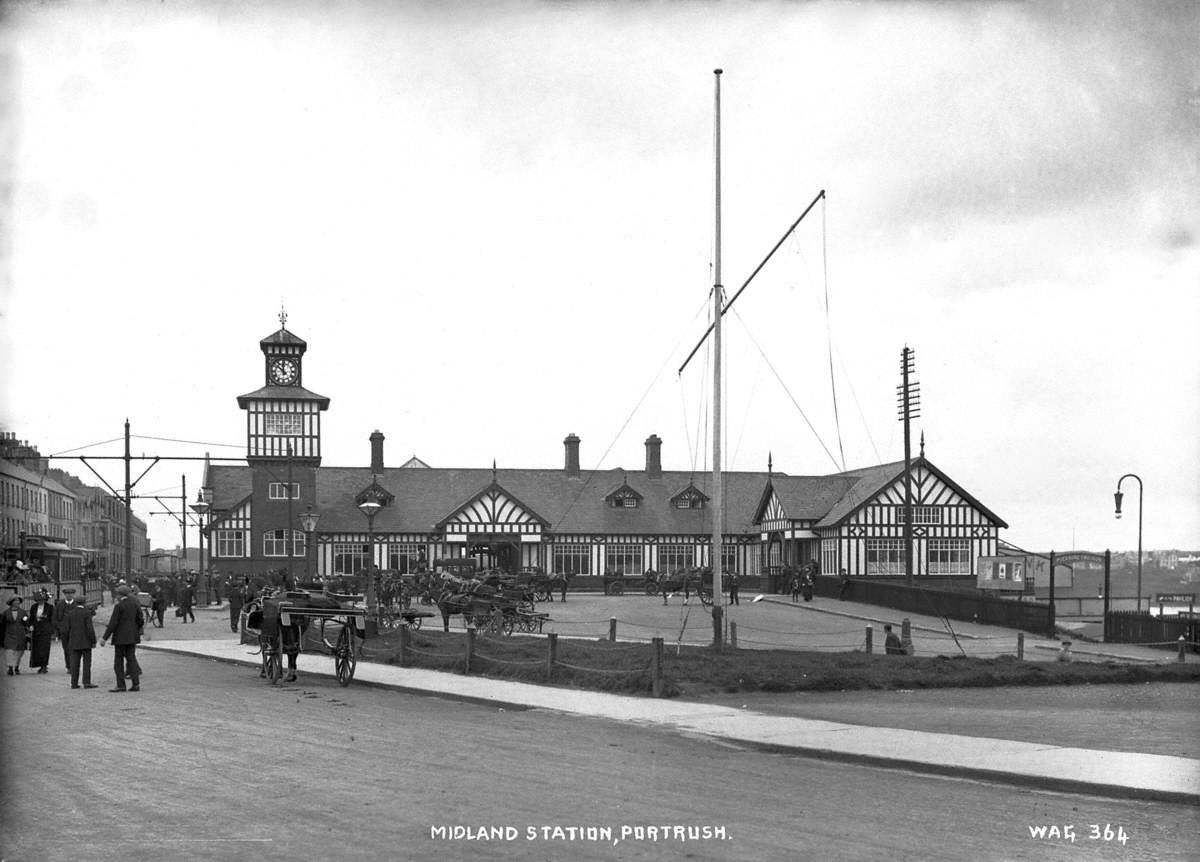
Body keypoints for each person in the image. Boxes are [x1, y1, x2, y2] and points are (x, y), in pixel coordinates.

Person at [100, 584, 143, 692]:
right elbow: (140, 620)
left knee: (118, 662)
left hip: (120, 638)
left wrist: (104, 638)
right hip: (132, 637)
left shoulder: (119, 606)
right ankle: (136, 684)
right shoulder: (135, 604)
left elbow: (113, 623)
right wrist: (135, 629)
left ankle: (121, 685)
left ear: (120, 595)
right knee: (131, 659)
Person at [65, 595, 99, 689]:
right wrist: (93, 641)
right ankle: (86, 682)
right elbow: (90, 628)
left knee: (74, 663)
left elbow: (67, 629)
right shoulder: (87, 613)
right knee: (86, 663)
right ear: (84, 603)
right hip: (85, 642)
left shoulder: (70, 613)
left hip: (74, 641)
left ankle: (74, 683)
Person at [27, 588, 55, 673]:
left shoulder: (50, 607)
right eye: (38, 600)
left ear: (45, 599)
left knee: (45, 649)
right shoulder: (34, 607)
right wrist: (30, 625)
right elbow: (31, 618)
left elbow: (52, 619)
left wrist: (52, 629)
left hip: (45, 631)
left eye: (42, 600)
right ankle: (39, 665)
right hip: (36, 630)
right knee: (37, 649)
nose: (40, 601)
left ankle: (44, 666)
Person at [2, 595, 30, 675]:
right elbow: (2, 623)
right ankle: (10, 668)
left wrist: (26, 621)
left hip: (20, 634)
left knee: (19, 652)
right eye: (15, 600)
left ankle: (17, 667)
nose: (17, 602)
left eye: (18, 600)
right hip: (9, 634)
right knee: (9, 651)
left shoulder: (23, 612)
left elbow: (26, 622)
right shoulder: (6, 612)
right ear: (11, 602)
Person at [53, 587, 77, 669]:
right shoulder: (60, 604)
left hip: (75, 631)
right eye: (67, 594)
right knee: (66, 649)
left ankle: (74, 665)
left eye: (71, 593)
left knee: (74, 649)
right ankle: (69, 666)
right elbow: (55, 618)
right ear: (65, 595)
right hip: (64, 631)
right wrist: (59, 627)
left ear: (73, 594)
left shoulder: (77, 604)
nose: (69, 595)